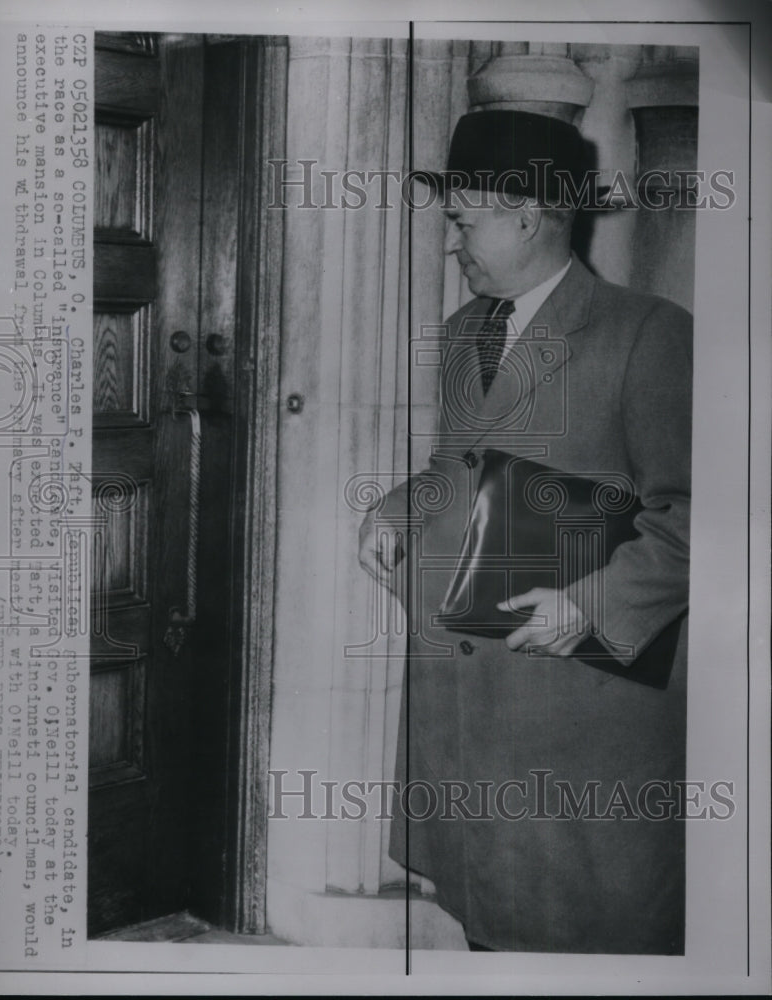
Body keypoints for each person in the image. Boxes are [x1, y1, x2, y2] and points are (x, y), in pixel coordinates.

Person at [358, 110, 692, 954]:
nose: (453, 243)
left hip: (574, 710)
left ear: (526, 218)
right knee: (490, 920)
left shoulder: (648, 334)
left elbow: (696, 518)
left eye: (463, 221)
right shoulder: (468, 328)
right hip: (467, 692)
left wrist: (589, 606)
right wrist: (392, 509)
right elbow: (454, 466)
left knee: (580, 928)